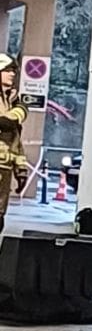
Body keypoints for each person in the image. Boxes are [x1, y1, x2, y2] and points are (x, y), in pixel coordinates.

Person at [0, 55, 29, 235]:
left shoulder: (11, 100)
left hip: (5, 169)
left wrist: (21, 170)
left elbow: (15, 138)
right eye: (7, 70)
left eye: (13, 71)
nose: (12, 74)